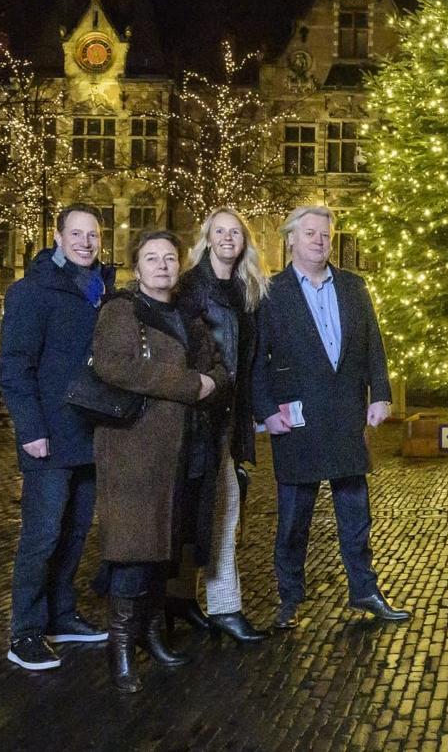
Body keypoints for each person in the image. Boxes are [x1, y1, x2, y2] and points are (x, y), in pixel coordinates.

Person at [251, 205, 410, 628]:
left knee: (356, 516)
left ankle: (365, 591)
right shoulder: (271, 292)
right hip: (296, 420)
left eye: (326, 234)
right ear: (291, 240)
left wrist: (382, 395)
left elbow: (374, 345)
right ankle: (289, 599)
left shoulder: (355, 287)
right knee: (293, 522)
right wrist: (266, 411)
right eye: (310, 234)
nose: (320, 241)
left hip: (345, 415)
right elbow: (256, 362)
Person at [91, 230, 225, 693]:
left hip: (181, 448)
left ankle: (149, 633)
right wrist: (192, 384)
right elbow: (117, 367)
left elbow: (218, 365)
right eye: (152, 258)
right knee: (132, 548)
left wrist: (214, 381)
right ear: (137, 266)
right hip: (133, 449)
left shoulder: (188, 314)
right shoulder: (122, 310)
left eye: (170, 258)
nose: (163, 266)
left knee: (163, 548)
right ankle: (121, 645)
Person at [0, 203, 114, 671]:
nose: (86, 243)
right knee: (42, 536)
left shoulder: (102, 292)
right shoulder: (31, 292)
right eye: (77, 234)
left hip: (89, 434)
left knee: (75, 533)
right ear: (58, 237)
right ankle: (24, 631)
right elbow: (15, 367)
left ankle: (61, 615)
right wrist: (30, 430)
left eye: (93, 235)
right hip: (49, 437)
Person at [164, 209, 269, 644]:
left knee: (219, 509)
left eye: (235, 232)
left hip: (227, 416)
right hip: (197, 417)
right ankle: (208, 604)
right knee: (202, 511)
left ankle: (195, 601)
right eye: (220, 231)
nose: (228, 238)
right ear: (206, 239)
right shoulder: (190, 288)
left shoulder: (248, 290)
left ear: (244, 241)